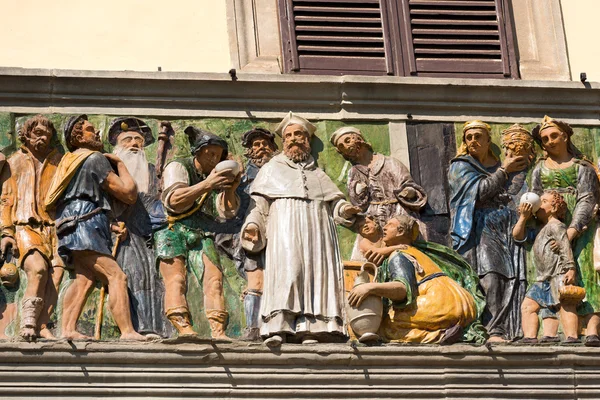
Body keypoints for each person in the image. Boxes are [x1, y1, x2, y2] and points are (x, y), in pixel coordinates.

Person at [241, 112, 361, 347]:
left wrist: (344, 209)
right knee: (289, 272)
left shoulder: (317, 172)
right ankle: (278, 326)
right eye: (289, 136)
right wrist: (253, 226)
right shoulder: (271, 169)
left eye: (299, 134)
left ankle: (313, 327)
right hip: (284, 224)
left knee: (316, 274)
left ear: (307, 140)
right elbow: (259, 205)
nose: (294, 139)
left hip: (317, 228)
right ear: (283, 142)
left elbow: (334, 200)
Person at [44, 114, 145, 340]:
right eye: (91, 129)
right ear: (78, 136)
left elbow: (78, 198)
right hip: (85, 225)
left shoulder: (69, 161)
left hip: (73, 223)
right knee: (117, 276)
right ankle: (128, 331)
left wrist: (108, 224)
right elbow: (128, 194)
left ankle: (68, 329)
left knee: (85, 279)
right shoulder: (94, 159)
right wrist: (119, 164)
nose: (97, 133)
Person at [154, 127, 240, 338]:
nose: (214, 157)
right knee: (176, 279)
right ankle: (183, 328)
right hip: (172, 228)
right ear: (198, 152)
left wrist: (230, 189)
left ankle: (218, 330)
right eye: (209, 152)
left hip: (201, 230)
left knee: (214, 279)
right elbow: (174, 201)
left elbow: (226, 212)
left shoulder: (214, 176)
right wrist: (207, 184)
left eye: (218, 154)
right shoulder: (178, 166)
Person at [448, 121, 531, 342]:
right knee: (490, 276)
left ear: (488, 140)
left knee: (512, 277)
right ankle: (492, 328)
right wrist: (505, 170)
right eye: (469, 137)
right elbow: (481, 192)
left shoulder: (503, 165)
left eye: (478, 136)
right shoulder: (461, 166)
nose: (473, 141)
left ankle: (508, 326)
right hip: (480, 228)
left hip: (509, 227)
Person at [348, 214, 477, 344]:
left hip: (440, 303)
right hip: (462, 301)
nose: (384, 228)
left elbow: (402, 290)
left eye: (390, 225)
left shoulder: (399, 255)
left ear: (401, 231)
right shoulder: (416, 251)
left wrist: (369, 288)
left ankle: (438, 334)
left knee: (387, 325)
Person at [531, 115, 600, 346]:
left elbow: (586, 200)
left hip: (581, 227)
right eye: (544, 139)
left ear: (565, 136)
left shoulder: (582, 168)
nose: (549, 142)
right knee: (552, 277)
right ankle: (553, 328)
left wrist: (572, 231)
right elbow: (534, 199)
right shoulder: (539, 169)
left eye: (553, 136)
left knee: (584, 272)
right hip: (549, 229)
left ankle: (591, 328)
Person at [0, 115, 64, 340]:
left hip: (55, 228)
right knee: (37, 269)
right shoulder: (14, 161)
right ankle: (28, 323)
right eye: (37, 133)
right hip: (25, 225)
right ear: (26, 135)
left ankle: (43, 324)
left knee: (56, 274)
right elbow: (5, 199)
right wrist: (6, 232)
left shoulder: (58, 162)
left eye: (47, 135)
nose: (43, 138)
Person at [108, 117, 173, 338]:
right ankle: (136, 326)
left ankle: (156, 326)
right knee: (132, 275)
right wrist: (111, 223)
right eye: (128, 139)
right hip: (122, 234)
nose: (134, 144)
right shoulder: (109, 172)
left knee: (154, 279)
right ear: (117, 145)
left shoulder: (153, 171)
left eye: (138, 139)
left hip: (150, 232)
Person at [215, 127, 278, 341]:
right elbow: (230, 208)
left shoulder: (281, 170)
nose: (261, 148)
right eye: (256, 145)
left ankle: (278, 325)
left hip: (281, 232)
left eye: (265, 144)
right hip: (252, 233)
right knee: (256, 278)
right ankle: (253, 327)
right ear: (249, 151)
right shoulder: (242, 177)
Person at [331, 126, 428, 238]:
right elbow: (358, 205)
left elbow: (409, 186)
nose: (347, 146)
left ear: (359, 139)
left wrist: (408, 192)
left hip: (397, 213)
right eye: (341, 146)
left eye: (348, 140)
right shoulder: (354, 172)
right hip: (373, 219)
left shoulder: (390, 163)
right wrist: (358, 193)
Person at [513, 191, 580, 343]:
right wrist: (523, 217)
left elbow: (564, 246)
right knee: (531, 306)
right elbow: (517, 235)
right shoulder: (539, 229)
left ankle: (572, 336)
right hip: (543, 278)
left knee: (565, 305)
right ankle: (536, 336)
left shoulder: (556, 226)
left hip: (558, 274)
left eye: (543, 202)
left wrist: (570, 268)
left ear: (555, 208)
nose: (539, 205)